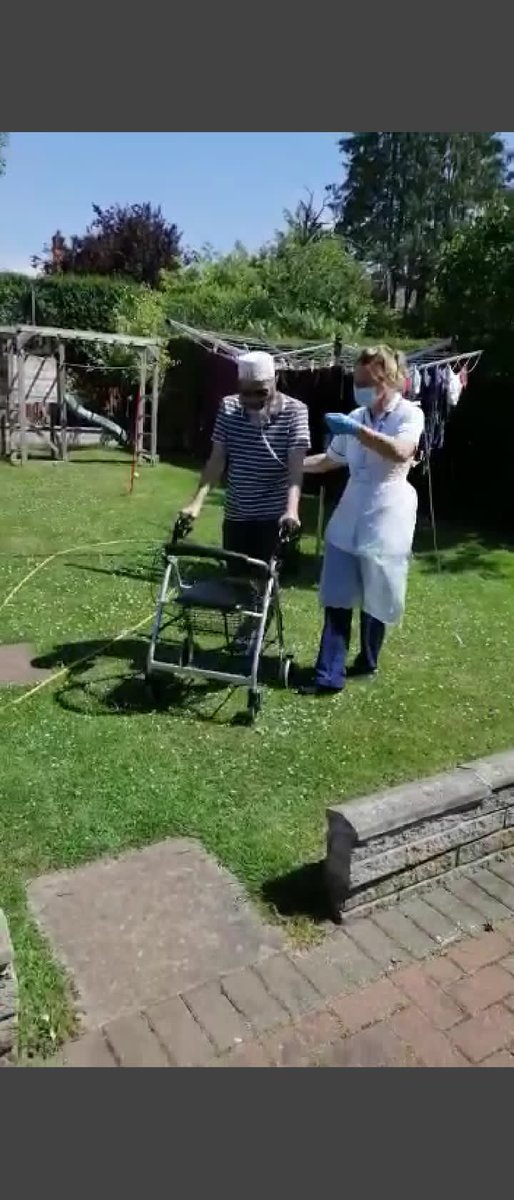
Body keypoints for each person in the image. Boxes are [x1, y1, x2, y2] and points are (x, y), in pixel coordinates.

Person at [299, 346, 424, 696]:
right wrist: (291, 464)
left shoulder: (410, 415)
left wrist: (358, 432)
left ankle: (368, 658)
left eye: (368, 381)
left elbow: (401, 451)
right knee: (337, 592)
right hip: (352, 506)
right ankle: (328, 675)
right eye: (357, 381)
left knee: (378, 593)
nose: (361, 387)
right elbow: (330, 460)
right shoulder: (357, 415)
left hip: (389, 510)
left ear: (389, 379)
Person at [180, 350, 311, 562]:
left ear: (275, 380)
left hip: (273, 516)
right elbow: (217, 460)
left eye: (260, 392)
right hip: (237, 514)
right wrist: (196, 503)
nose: (251, 399)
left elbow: (296, 467)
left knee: (265, 583)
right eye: (245, 393)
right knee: (235, 578)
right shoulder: (229, 407)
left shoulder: (295, 412)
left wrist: (291, 510)